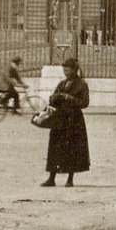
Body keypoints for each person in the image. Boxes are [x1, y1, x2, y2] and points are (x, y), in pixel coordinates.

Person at [41, 57, 90, 188]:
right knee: (55, 147)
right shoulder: (62, 84)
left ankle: (70, 179)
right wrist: (54, 98)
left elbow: (84, 103)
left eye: (68, 70)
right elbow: (52, 98)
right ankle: (51, 178)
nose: (66, 73)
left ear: (75, 70)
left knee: (71, 148)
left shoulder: (82, 85)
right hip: (60, 119)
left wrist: (70, 98)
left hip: (74, 120)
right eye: (64, 71)